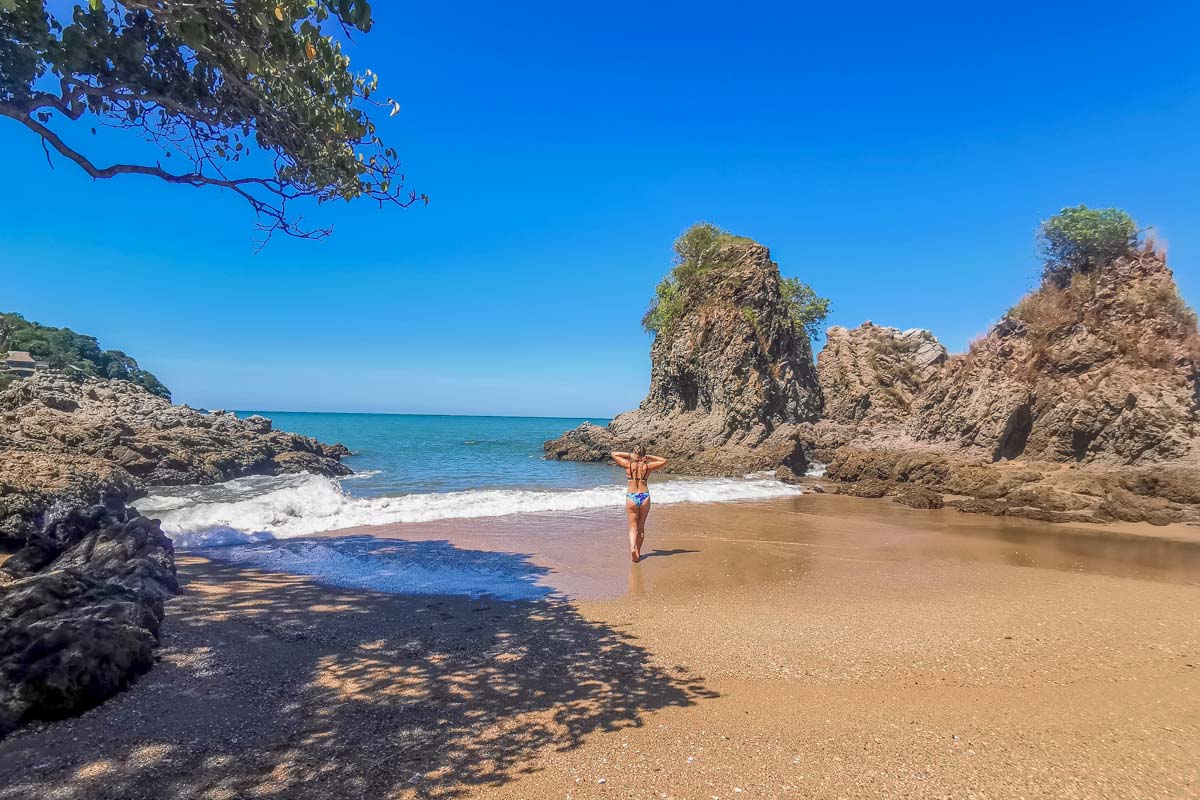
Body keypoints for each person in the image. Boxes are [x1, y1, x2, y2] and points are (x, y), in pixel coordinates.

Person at [611, 446, 668, 563]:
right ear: (644, 455)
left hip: (631, 496)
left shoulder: (628, 465)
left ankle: (633, 548)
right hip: (644, 496)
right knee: (641, 526)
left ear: (634, 453)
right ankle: (638, 552)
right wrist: (649, 457)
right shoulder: (648, 466)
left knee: (633, 526)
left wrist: (629, 456)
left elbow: (614, 454)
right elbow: (664, 461)